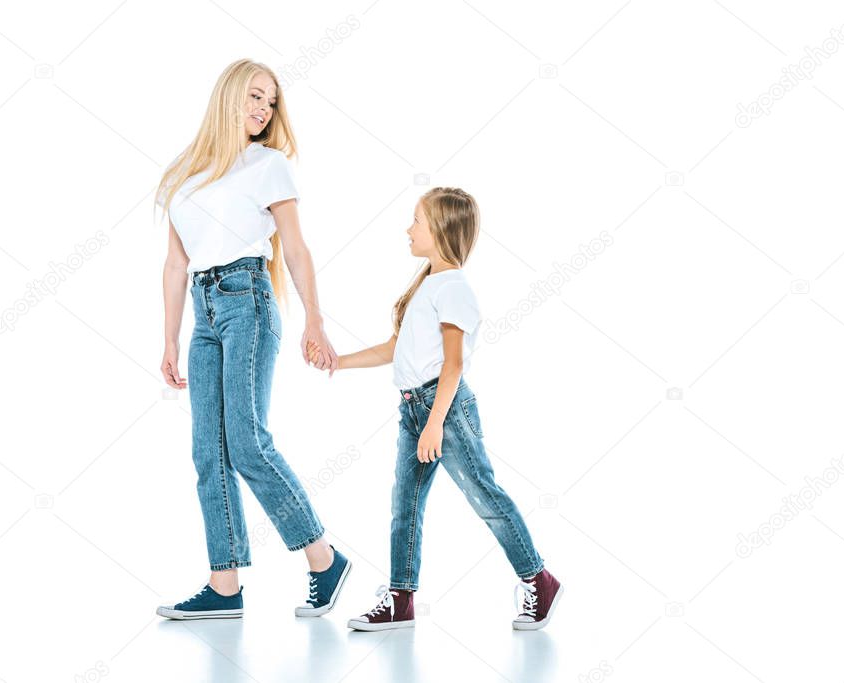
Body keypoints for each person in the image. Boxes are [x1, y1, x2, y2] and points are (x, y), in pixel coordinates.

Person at [310, 187, 562, 631]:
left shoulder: (455, 289)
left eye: (417, 222)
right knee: (403, 506)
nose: (409, 229)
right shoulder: (428, 284)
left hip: (441, 408)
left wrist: (435, 424)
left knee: (484, 495)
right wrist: (339, 361)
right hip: (414, 409)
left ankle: (538, 579)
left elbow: (454, 364)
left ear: (442, 229)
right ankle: (400, 601)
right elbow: (395, 348)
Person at [154, 59, 351, 620]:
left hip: (249, 302)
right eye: (255, 97)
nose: (263, 110)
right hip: (204, 310)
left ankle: (324, 559)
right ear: (228, 97)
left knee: (247, 442)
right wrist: (170, 339)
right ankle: (224, 585)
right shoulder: (183, 174)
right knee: (207, 451)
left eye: (270, 102)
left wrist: (315, 319)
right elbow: (174, 265)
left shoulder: (269, 165)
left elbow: (295, 247)